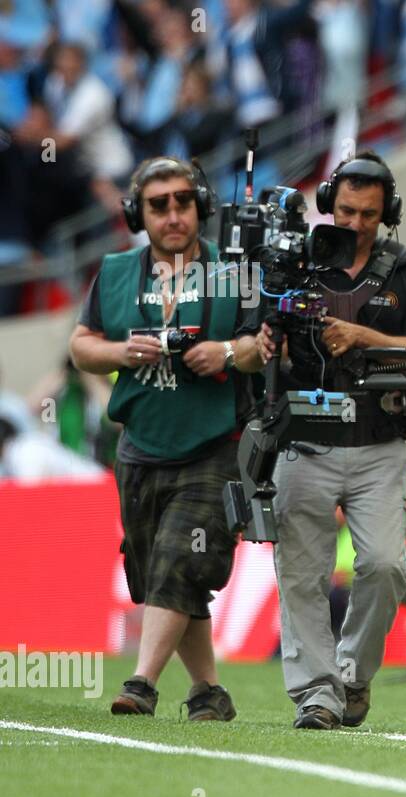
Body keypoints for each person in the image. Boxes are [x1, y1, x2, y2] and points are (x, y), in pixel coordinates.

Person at [234, 151, 406, 729]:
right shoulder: (295, 263)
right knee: (301, 572)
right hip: (304, 437)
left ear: (387, 212)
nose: (354, 223)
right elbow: (249, 346)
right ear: (329, 205)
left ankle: (351, 673)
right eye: (345, 210)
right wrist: (266, 346)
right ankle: (316, 693)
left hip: (379, 439)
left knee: (383, 566)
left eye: (368, 214)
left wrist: (361, 334)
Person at [68, 156, 247, 721]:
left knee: (180, 560)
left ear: (201, 207)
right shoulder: (117, 271)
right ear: (137, 214)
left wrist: (225, 352)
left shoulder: (235, 270)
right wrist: (121, 352)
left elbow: (268, 345)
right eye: (158, 204)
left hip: (215, 442)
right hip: (140, 444)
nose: (173, 214)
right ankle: (209, 691)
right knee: (156, 573)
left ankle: (141, 682)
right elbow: (81, 345)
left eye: (182, 202)